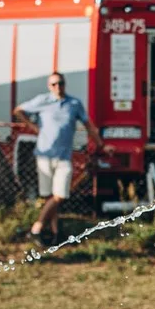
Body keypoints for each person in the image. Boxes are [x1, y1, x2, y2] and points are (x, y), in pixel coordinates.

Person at [14, 72, 97, 245]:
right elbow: (19, 111)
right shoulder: (43, 101)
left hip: (64, 156)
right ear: (49, 86)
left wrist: (100, 143)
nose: (57, 87)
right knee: (48, 197)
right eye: (54, 84)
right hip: (44, 155)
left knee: (59, 195)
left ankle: (36, 228)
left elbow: (88, 125)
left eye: (60, 83)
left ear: (65, 84)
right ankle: (54, 233)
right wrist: (33, 127)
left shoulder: (74, 103)